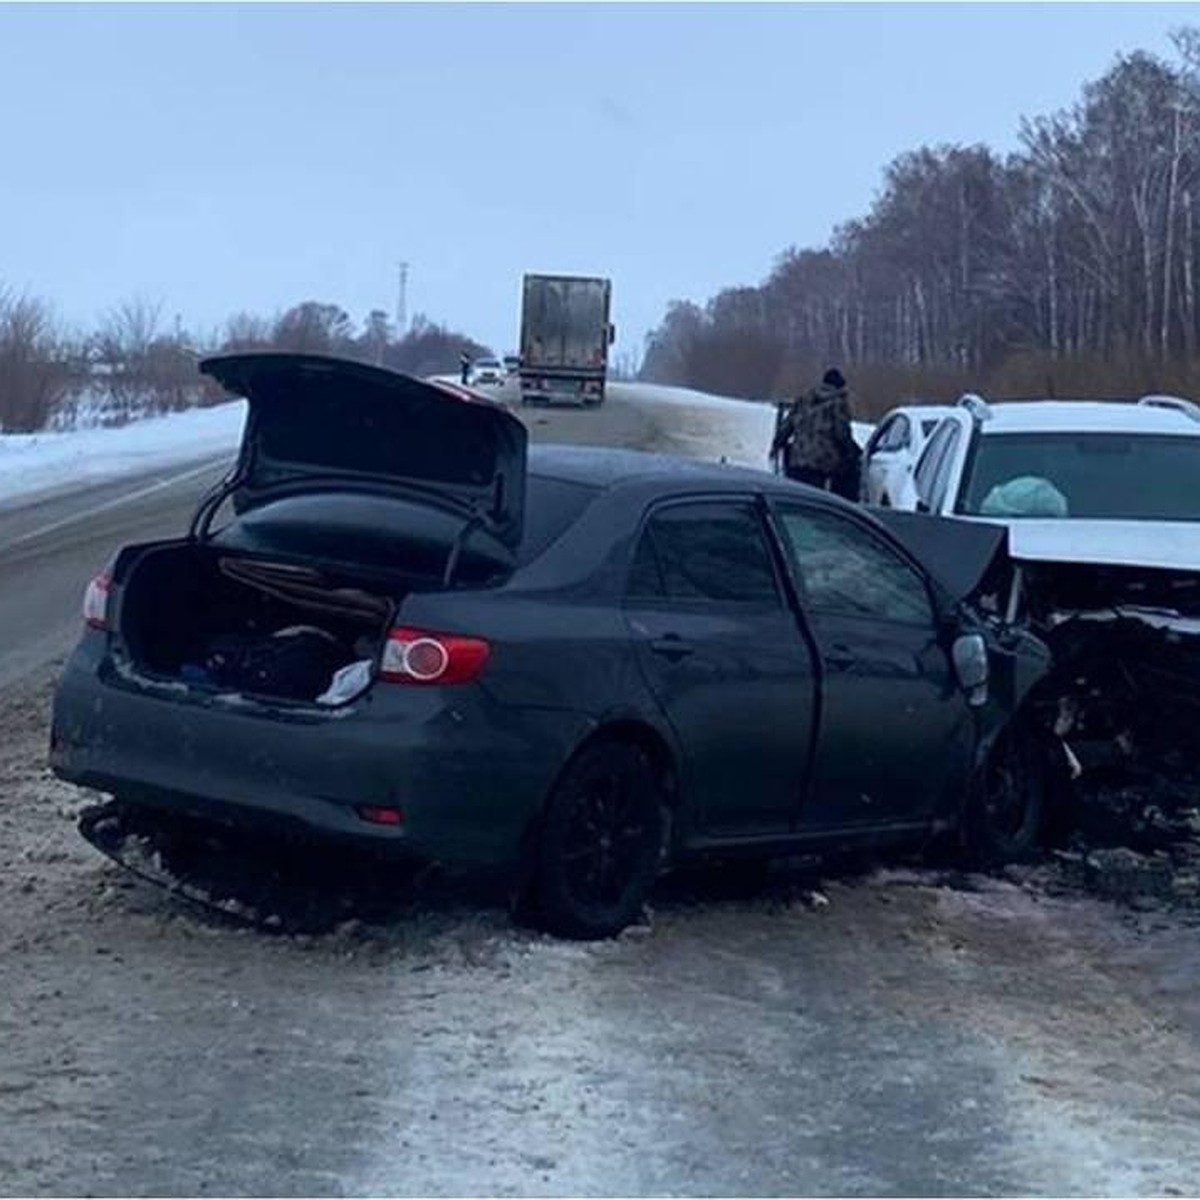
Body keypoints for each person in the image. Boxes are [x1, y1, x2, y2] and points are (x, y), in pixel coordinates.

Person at [771, 368, 860, 499]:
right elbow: (842, 434)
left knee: (797, 498)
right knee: (815, 499)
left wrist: (777, 444)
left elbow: (787, 425)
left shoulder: (804, 399)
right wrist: (852, 453)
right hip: (822, 464)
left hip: (798, 459)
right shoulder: (838, 403)